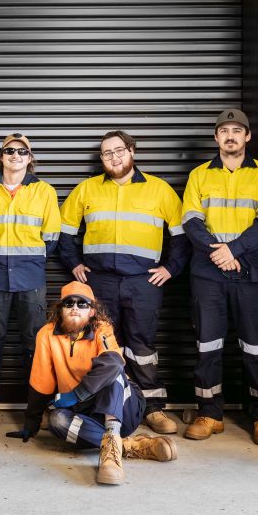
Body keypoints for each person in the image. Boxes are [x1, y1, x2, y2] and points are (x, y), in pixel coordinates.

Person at [58, 130, 190, 435]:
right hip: (100, 282)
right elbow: (63, 234)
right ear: (101, 159)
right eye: (107, 153)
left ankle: (153, 408)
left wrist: (171, 268)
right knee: (103, 345)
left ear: (132, 151)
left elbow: (182, 236)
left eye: (119, 151)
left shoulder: (159, 190)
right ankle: (105, 406)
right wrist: (74, 263)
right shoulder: (87, 190)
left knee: (142, 345)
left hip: (143, 282)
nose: (114, 157)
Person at [7, 281, 177, 486]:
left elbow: (114, 362)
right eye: (69, 303)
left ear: (92, 311)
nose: (75, 308)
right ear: (60, 310)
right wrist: (31, 423)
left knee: (112, 371)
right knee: (57, 421)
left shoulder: (101, 329)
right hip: (87, 415)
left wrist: (76, 394)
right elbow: (41, 381)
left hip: (124, 407)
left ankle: (112, 449)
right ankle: (128, 446)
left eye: (82, 304)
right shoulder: (46, 334)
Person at [181, 109, 258, 445]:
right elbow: (192, 223)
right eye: (225, 131)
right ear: (216, 138)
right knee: (208, 345)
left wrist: (233, 251)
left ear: (247, 137)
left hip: (248, 270)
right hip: (208, 272)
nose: (231, 136)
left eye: (237, 130)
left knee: (254, 346)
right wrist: (219, 252)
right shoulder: (199, 176)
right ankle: (210, 413)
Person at [0, 133, 61, 429]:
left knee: (35, 341)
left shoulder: (45, 191)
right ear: (1, 156)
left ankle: (39, 403)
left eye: (22, 151)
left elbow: (52, 236)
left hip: (30, 275)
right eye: (10, 150)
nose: (16, 155)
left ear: (30, 158)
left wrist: (25, 259)